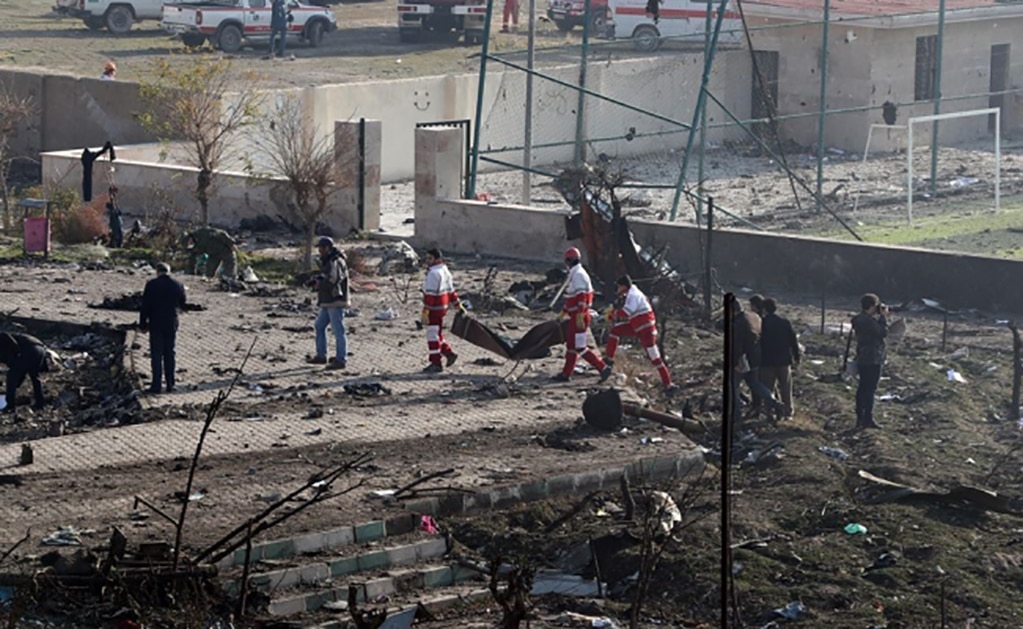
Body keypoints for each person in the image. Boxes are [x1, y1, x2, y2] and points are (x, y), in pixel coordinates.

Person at [603, 275, 676, 393]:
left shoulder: (633, 296)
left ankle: (668, 384)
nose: (618, 290)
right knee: (615, 331)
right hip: (639, 328)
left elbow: (627, 311)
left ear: (623, 286)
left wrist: (613, 314)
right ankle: (609, 358)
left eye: (618, 287)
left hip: (645, 331)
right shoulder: (634, 293)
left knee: (655, 359)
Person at [555, 247, 611, 382]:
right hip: (577, 316)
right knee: (572, 346)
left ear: (568, 261)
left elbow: (582, 297)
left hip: (579, 317)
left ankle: (602, 368)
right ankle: (566, 373)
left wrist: (579, 314)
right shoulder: (577, 273)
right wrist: (564, 312)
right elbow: (573, 298)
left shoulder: (578, 275)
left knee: (579, 347)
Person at [730, 297, 783, 424]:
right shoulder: (753, 317)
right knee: (755, 383)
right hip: (755, 358)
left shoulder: (737, 324)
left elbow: (736, 345)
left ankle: (736, 415)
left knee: (733, 387)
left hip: (742, 360)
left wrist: (735, 362)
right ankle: (774, 402)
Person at [139, 263, 187, 394]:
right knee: (169, 353)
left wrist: (142, 324)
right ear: (169, 271)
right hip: (171, 322)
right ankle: (170, 384)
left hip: (155, 322)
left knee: (156, 354)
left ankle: (156, 385)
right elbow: (183, 303)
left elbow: (145, 306)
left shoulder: (151, 284)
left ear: (157, 271)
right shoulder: (177, 284)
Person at [307, 237, 350, 370]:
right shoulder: (329, 261)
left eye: (321, 248)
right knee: (319, 325)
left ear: (328, 248)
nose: (319, 250)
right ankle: (321, 356)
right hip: (328, 301)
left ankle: (341, 359)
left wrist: (320, 284)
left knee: (338, 331)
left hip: (335, 300)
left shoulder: (335, 261)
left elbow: (333, 280)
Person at [758, 297, 801, 420]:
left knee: (768, 389)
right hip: (783, 360)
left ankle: (770, 412)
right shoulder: (784, 322)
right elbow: (793, 340)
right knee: (786, 387)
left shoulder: (762, 323)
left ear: (764, 309)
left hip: (767, 361)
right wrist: (796, 356)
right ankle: (788, 412)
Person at [421, 248, 461, 373]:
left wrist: (426, 310)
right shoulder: (445, 270)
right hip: (443, 308)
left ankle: (436, 363)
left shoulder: (433, 274)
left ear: (436, 259)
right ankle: (449, 353)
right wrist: (457, 304)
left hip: (434, 309)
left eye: (430, 258)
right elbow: (451, 290)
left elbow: (431, 295)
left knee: (432, 335)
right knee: (437, 334)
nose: (427, 261)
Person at [852, 293, 888, 429]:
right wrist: (883, 317)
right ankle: (867, 418)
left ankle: (860, 417)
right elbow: (882, 333)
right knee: (870, 389)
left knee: (862, 388)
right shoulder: (868, 321)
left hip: (862, 356)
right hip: (873, 358)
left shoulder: (858, 319)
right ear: (872, 306)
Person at [0, 333, 50, 414]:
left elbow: (6, 336)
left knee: (11, 376)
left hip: (29, 349)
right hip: (40, 349)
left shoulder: (2, 338)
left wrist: (18, 352)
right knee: (34, 377)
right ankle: (40, 403)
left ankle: (10, 406)